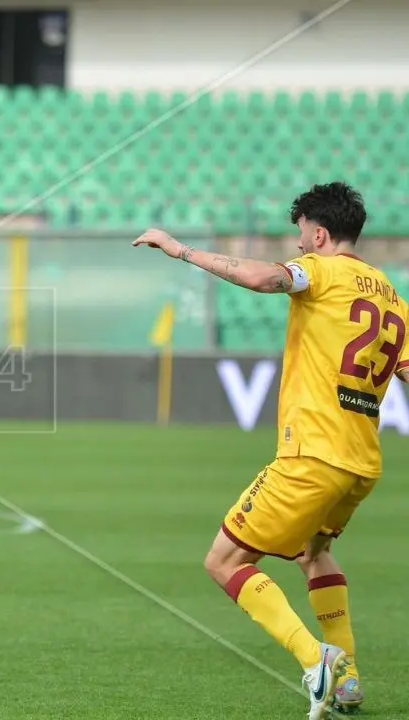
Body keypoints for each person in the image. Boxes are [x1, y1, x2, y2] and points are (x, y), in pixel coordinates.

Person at [132, 182, 402, 719]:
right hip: (361, 464)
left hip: (313, 457)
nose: (298, 247)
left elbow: (261, 277)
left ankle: (317, 661)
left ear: (320, 233)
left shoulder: (320, 272)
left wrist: (180, 249)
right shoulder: (392, 295)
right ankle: (346, 678)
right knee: (314, 552)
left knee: (224, 560)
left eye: (302, 236)